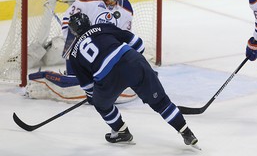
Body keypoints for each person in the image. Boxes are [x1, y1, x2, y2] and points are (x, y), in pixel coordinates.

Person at [67, 12, 200, 148]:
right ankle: (187, 133)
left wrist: (93, 98)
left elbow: (88, 86)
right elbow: (138, 44)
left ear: (73, 31)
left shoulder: (73, 55)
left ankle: (121, 131)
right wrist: (136, 65)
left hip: (108, 78)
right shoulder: (102, 27)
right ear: (88, 22)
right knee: (161, 102)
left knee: (101, 105)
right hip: (132, 60)